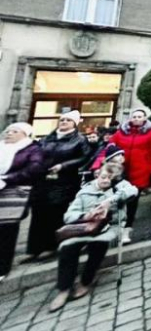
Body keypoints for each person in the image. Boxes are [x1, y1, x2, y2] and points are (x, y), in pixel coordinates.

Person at [48, 162, 138, 312]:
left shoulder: (119, 187)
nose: (106, 180)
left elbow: (133, 191)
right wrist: (86, 215)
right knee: (67, 247)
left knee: (98, 244)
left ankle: (85, 281)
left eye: (110, 178)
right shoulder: (85, 191)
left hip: (110, 227)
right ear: (97, 174)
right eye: (103, 176)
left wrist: (110, 200)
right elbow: (68, 216)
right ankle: (64, 289)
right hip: (85, 227)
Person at [27, 111, 91, 260]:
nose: (64, 122)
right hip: (43, 180)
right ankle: (34, 248)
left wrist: (64, 166)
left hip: (64, 181)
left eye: (68, 120)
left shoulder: (79, 139)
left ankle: (51, 246)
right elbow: (37, 153)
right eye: (62, 119)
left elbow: (85, 157)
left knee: (55, 214)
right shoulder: (48, 137)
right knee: (37, 213)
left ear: (74, 123)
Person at [0, 123, 45, 282]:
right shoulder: (2, 147)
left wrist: (6, 179)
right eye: (7, 131)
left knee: (7, 229)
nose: (9, 133)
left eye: (14, 131)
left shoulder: (31, 149)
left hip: (14, 192)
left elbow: (35, 168)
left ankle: (2, 266)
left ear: (25, 134)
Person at [109, 108, 151, 244]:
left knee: (132, 201)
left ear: (144, 119)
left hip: (140, 172)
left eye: (139, 117)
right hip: (121, 172)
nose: (136, 119)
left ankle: (127, 229)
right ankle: (117, 226)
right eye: (134, 116)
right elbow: (111, 146)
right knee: (119, 199)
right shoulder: (121, 132)